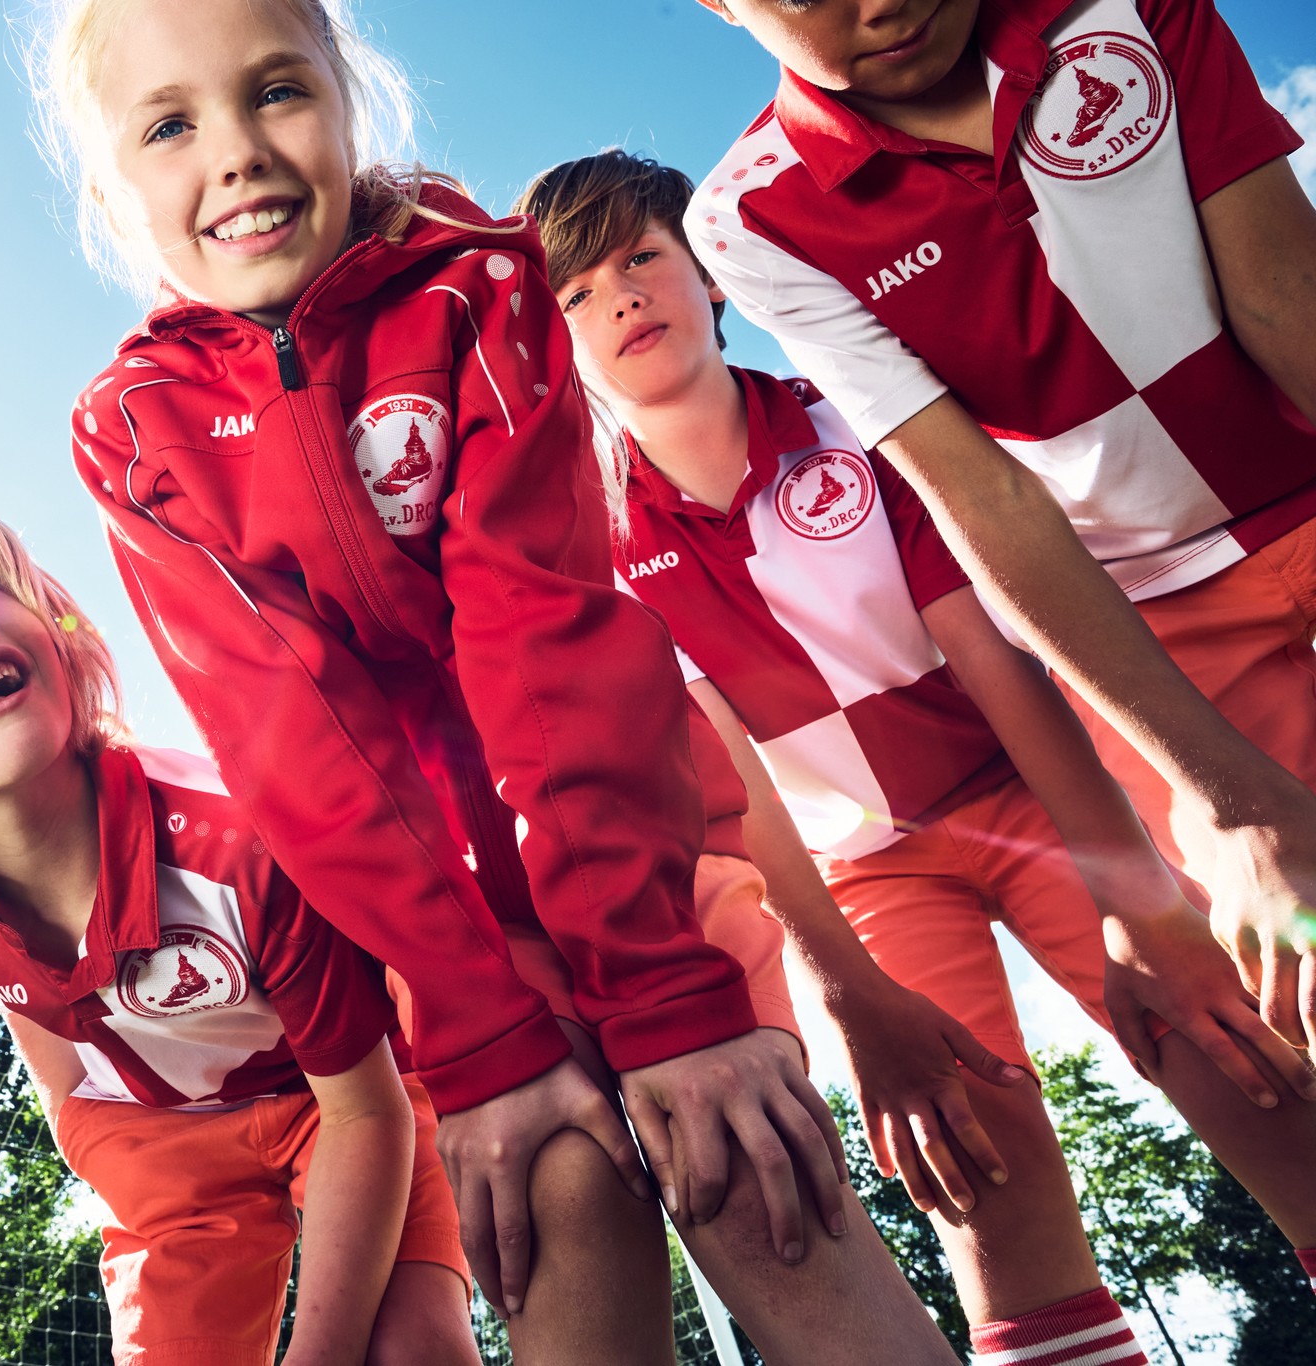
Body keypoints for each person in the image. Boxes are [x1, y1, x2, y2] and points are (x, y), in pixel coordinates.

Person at [33, 1, 958, 1359]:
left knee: (748, 1177)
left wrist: (666, 999)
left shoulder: (482, 284)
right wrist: (479, 1033)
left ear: (349, 101)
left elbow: (545, 641)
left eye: (277, 90)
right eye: (170, 124)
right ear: (116, 188)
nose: (235, 152)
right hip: (444, 932)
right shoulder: (133, 427)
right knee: (554, 1187)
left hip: (643, 860)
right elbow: (297, 743)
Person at [519, 145, 1316, 1363]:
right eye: (574, 292)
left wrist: (1133, 899)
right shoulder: (597, 544)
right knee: (972, 1164)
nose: (618, 297)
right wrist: (842, 985)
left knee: (1234, 1057)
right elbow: (726, 784)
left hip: (1023, 794)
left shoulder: (851, 427)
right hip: (863, 876)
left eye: (641, 259)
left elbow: (1000, 666)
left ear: (710, 274)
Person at [0, 471, 482, 1366]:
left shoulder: (238, 841)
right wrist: (92, 1132)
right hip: (165, 1156)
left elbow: (366, 1116)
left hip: (345, 1103)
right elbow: (42, 1022)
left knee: (410, 1349)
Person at [685, 0, 1316, 1053]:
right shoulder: (747, 216)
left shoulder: (1125, 9)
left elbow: (1285, 295)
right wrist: (1219, 789)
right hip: (1150, 625)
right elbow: (989, 498)